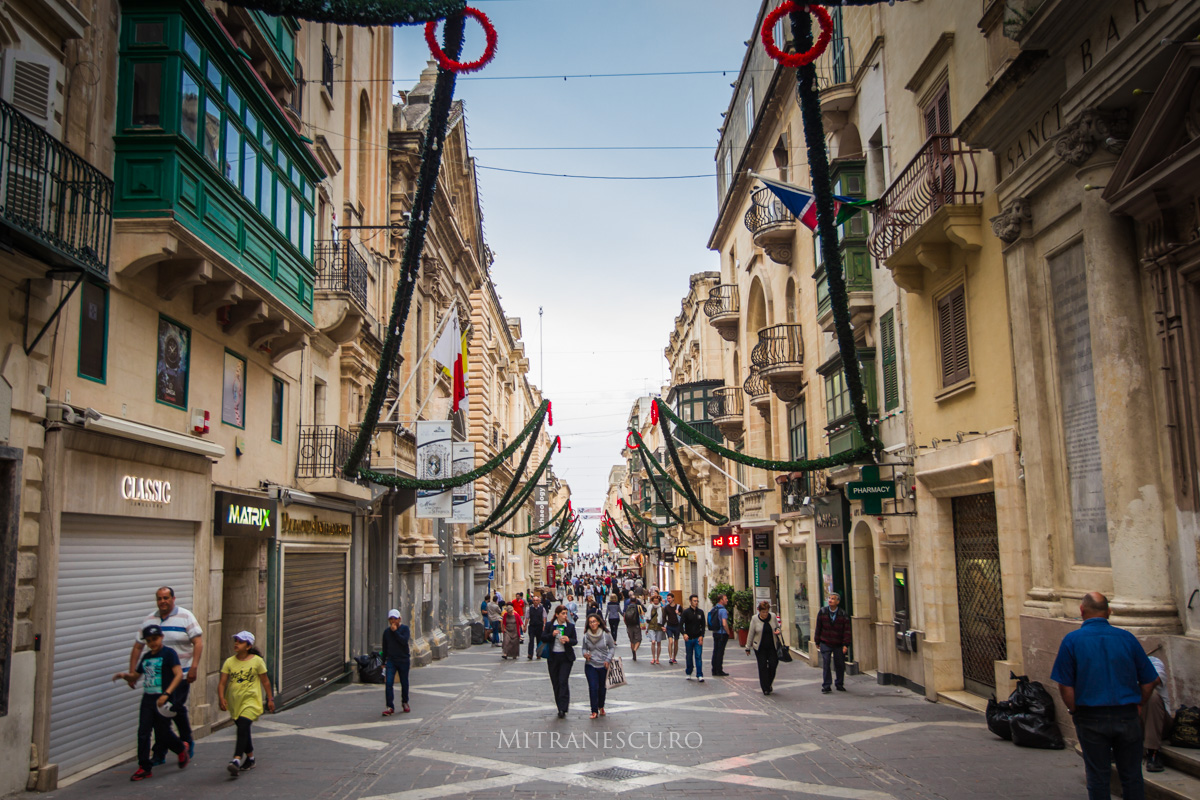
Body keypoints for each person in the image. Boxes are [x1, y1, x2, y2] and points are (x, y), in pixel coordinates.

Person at [1051, 592, 1159, 800]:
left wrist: (1074, 710)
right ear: (1109, 612)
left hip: (1091, 716)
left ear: (1081, 611)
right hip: (1127, 715)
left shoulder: (1072, 640)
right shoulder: (1127, 638)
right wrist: (1140, 703)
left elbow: (1065, 685)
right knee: (1132, 775)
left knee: (1098, 776)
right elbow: (1150, 680)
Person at [130, 586, 202, 762]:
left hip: (181, 675)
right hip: (158, 680)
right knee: (161, 715)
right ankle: (162, 752)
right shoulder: (149, 620)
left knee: (173, 709)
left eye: (166, 598)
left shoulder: (186, 616)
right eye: (159, 599)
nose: (163, 601)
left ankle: (184, 741)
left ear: (173, 599)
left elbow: (198, 643)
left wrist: (194, 667)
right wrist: (132, 672)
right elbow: (138, 646)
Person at [112, 624, 189, 781]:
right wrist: (124, 676)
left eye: (155, 639)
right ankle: (144, 767)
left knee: (162, 733)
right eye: (149, 640)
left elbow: (178, 675)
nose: (152, 643)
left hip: (163, 699)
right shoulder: (147, 657)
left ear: (161, 637)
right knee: (143, 732)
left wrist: (167, 694)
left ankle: (181, 748)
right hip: (148, 699)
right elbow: (136, 676)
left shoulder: (169, 654)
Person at [218, 631, 275, 777]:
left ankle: (236, 759)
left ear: (248, 646)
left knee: (243, 726)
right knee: (244, 730)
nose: (236, 644)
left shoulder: (257, 661)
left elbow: (265, 681)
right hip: (235, 702)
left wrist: (270, 699)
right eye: (236, 641)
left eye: (240, 641)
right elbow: (222, 682)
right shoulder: (230, 662)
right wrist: (221, 698)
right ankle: (250, 759)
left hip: (251, 701)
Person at [542, 605, 577, 718]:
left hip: (566, 658)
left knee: (563, 681)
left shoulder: (570, 626)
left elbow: (574, 640)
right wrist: (551, 635)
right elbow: (543, 637)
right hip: (553, 657)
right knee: (555, 682)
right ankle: (559, 706)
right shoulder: (550, 625)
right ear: (557, 614)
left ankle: (563, 708)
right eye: (562, 613)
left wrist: (568, 640)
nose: (565, 615)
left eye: (565, 613)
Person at [814, 592, 851, 693]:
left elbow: (847, 630)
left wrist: (845, 644)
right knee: (826, 663)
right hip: (825, 642)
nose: (830, 600)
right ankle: (826, 685)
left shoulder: (843, 614)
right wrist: (817, 641)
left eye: (833, 599)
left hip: (838, 643)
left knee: (839, 664)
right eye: (829, 598)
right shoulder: (822, 612)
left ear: (838, 602)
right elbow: (818, 627)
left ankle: (839, 683)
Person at [581, 614, 616, 719]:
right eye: (590, 622)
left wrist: (608, 659)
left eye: (594, 621)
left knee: (602, 688)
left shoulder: (606, 635)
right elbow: (583, 648)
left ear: (599, 622)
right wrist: (585, 654)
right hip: (590, 664)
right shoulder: (586, 636)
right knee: (593, 687)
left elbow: (612, 647)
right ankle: (594, 710)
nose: (592, 624)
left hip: (603, 665)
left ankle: (601, 706)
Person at [746, 601, 782, 695]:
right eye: (763, 612)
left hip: (772, 646)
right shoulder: (754, 619)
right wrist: (747, 647)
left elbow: (778, 628)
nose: (765, 614)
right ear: (759, 611)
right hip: (760, 647)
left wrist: (778, 631)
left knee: (773, 664)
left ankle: (769, 683)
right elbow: (751, 633)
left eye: (766, 612)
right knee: (762, 667)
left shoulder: (773, 616)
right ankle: (765, 688)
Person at [1143, 650, 1171, 773]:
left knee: (1152, 695)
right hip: (1133, 721)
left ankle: (1153, 752)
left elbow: (1154, 680)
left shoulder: (1153, 661)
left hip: (1161, 722)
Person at [381, 608, 411, 715]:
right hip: (391, 660)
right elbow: (385, 648)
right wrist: (383, 662)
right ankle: (390, 706)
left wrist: (395, 632)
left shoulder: (405, 629)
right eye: (391, 619)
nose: (393, 621)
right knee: (389, 683)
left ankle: (405, 702)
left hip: (403, 660)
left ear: (399, 619)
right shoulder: (386, 633)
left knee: (404, 682)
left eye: (395, 619)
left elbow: (404, 641)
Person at [681, 594, 706, 682]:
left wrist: (701, 636)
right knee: (689, 656)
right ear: (690, 601)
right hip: (689, 638)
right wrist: (684, 634)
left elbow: (703, 625)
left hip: (697, 638)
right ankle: (688, 672)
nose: (696, 602)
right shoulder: (686, 612)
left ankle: (699, 674)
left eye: (697, 601)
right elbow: (681, 625)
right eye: (694, 601)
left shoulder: (700, 612)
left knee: (698, 656)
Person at [710, 594, 731, 677]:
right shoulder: (723, 610)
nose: (727, 600)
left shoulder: (714, 608)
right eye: (725, 599)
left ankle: (714, 669)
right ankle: (719, 670)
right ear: (721, 600)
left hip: (715, 632)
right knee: (720, 652)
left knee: (715, 651)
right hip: (722, 633)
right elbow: (724, 623)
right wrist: (728, 632)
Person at [623, 593, 644, 661]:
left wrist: (626, 624)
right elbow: (643, 614)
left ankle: (633, 653)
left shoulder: (627, 607)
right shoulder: (638, 606)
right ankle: (635, 649)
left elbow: (624, 616)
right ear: (636, 600)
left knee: (632, 641)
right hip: (636, 625)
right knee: (638, 639)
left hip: (629, 625)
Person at [645, 594, 664, 665]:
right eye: (654, 601)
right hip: (651, 626)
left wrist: (663, 626)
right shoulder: (650, 607)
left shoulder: (661, 608)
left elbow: (664, 618)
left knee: (658, 642)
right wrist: (646, 629)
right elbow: (647, 618)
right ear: (652, 601)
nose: (656, 602)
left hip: (659, 626)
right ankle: (653, 657)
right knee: (653, 642)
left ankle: (657, 658)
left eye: (657, 601)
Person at [663, 595, 682, 665]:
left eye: (669, 598)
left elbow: (682, 616)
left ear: (673, 598)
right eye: (667, 598)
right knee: (670, 642)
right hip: (669, 626)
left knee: (676, 642)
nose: (668, 600)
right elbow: (664, 617)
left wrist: (678, 613)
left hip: (677, 626)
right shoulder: (666, 607)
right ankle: (670, 657)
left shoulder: (678, 607)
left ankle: (674, 657)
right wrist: (662, 626)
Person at [527, 592, 546, 660]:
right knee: (531, 640)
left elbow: (544, 617)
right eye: (534, 600)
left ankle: (539, 654)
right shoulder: (530, 609)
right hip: (532, 626)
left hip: (539, 626)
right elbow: (527, 617)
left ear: (539, 601)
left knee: (539, 640)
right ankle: (530, 654)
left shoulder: (542, 608)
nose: (535, 602)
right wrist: (525, 626)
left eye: (536, 600)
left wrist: (544, 625)